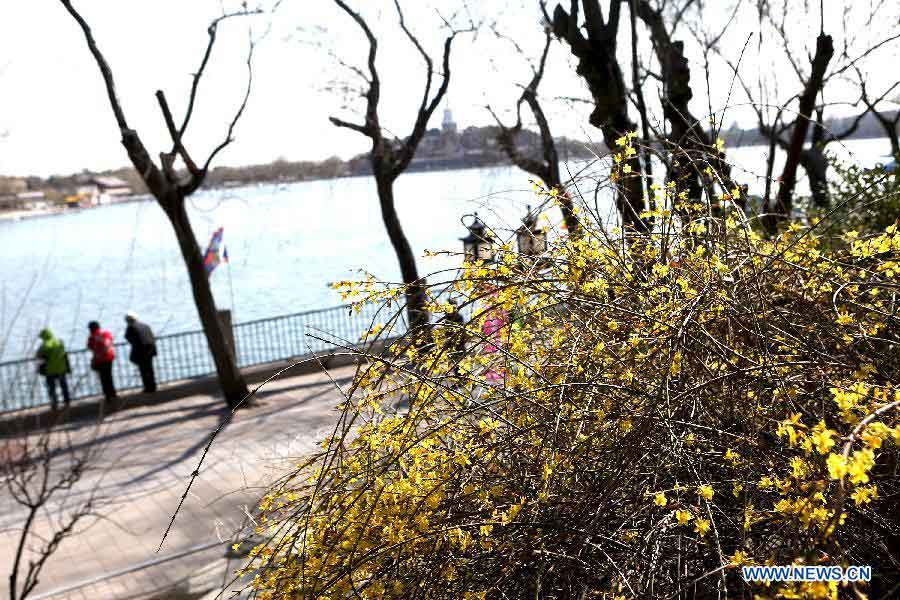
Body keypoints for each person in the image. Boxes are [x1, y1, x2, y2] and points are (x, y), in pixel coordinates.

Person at [35, 328, 71, 410]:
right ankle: (67, 402)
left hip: (50, 370)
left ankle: (54, 404)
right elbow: (64, 354)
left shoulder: (44, 346)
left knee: (51, 388)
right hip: (61, 368)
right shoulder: (59, 342)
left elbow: (38, 356)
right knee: (64, 386)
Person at [124, 312, 157, 393]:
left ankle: (148, 387)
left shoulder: (131, 327)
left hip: (141, 350)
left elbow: (128, 337)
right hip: (151, 348)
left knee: (143, 369)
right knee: (149, 368)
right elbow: (152, 336)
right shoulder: (145, 325)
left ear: (128, 321)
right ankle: (153, 386)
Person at [87, 321, 117, 402]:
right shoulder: (106, 333)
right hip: (109, 357)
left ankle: (107, 395)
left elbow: (89, 347)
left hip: (99, 359)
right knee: (109, 376)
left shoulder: (92, 337)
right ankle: (113, 392)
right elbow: (110, 341)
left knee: (103, 378)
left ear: (91, 329)